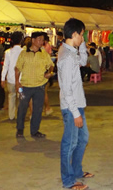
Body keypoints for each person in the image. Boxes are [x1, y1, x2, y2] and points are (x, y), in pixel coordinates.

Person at [57, 18, 92, 190]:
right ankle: (68, 181)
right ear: (74, 34)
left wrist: (83, 45)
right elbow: (66, 89)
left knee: (83, 138)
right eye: (82, 34)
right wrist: (75, 113)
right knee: (69, 143)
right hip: (72, 106)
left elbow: (84, 61)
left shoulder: (70, 52)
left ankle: (77, 171)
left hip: (77, 103)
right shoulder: (67, 57)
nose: (83, 37)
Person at [15, 31, 54, 138]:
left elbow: (51, 65)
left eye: (42, 40)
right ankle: (20, 129)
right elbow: (17, 69)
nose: (41, 42)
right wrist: (17, 83)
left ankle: (35, 131)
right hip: (25, 87)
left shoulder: (43, 53)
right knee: (22, 108)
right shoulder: (24, 53)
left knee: (38, 109)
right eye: (39, 39)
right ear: (33, 40)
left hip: (40, 86)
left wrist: (49, 72)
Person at [1, 31, 23, 121]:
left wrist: (2, 79)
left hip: (10, 79)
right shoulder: (24, 52)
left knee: (11, 97)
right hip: (21, 81)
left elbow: (5, 66)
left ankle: (11, 116)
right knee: (21, 97)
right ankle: (20, 115)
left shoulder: (8, 52)